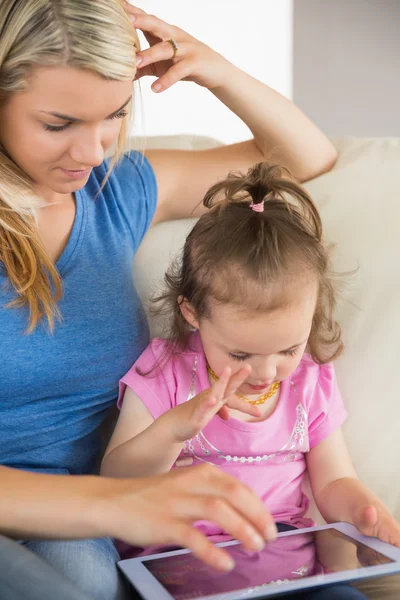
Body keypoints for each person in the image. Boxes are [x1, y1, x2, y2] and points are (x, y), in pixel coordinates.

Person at [0, 0, 338, 599]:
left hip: (92, 522)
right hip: (59, 511)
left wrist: (217, 71)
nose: (93, 151)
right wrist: (112, 503)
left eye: (113, 115)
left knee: (83, 577)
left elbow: (305, 158)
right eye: (58, 124)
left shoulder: (115, 193)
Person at [101, 162, 400, 600]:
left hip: (293, 574)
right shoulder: (164, 370)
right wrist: (174, 429)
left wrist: (364, 511)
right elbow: (116, 482)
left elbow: (334, 482)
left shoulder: (309, 380)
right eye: (241, 354)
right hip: (183, 569)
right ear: (192, 314)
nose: (266, 372)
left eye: (288, 349)